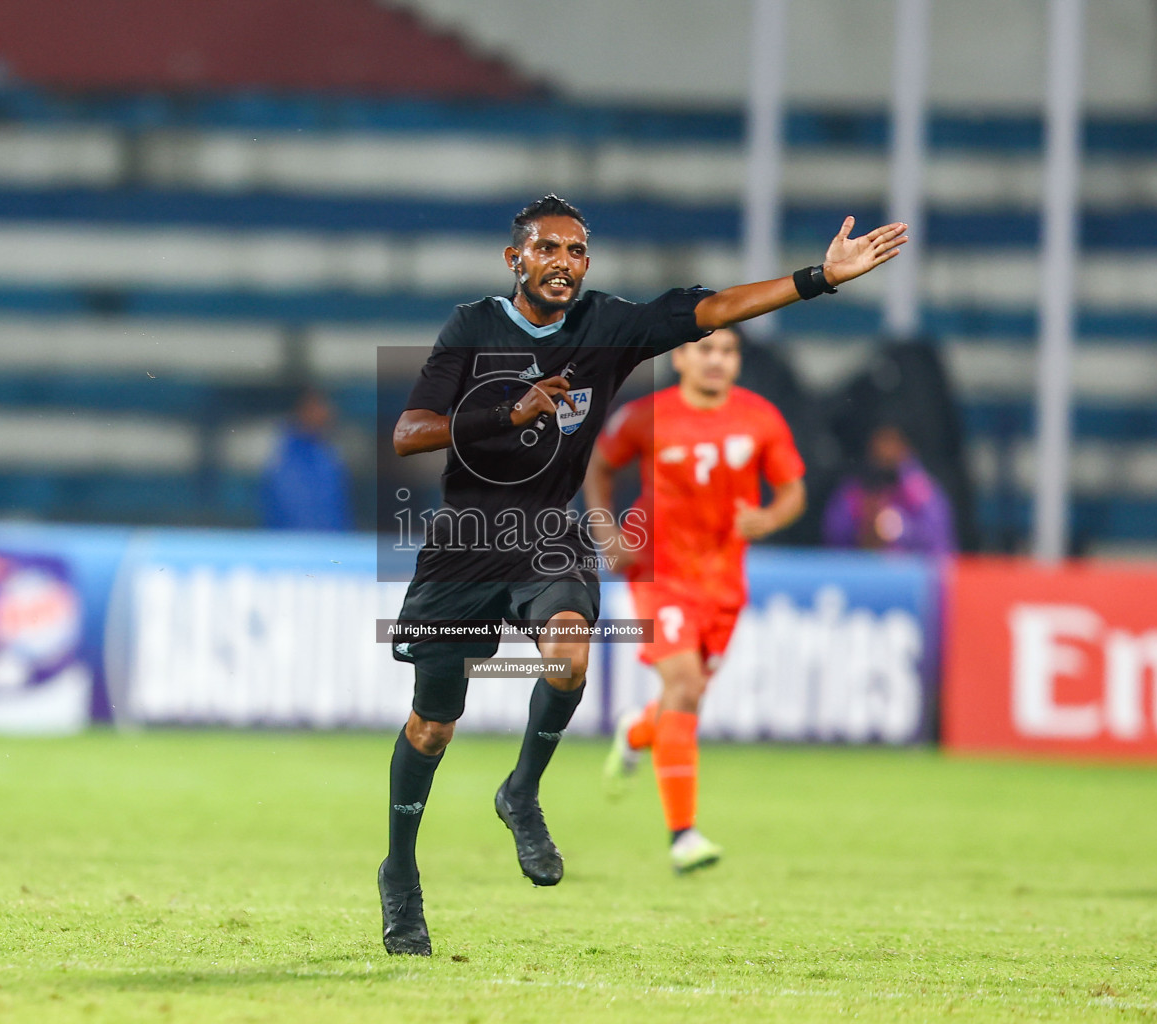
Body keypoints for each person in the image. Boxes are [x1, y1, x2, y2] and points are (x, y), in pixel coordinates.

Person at [381, 194, 906, 956]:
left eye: (577, 251)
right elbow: (408, 434)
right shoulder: (472, 328)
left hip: (547, 535)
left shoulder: (606, 327)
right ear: (515, 259)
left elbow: (714, 308)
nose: (564, 261)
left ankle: (521, 791)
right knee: (432, 726)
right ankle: (399, 875)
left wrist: (818, 277)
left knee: (569, 659)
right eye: (549, 248)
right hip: (465, 542)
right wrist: (509, 414)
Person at [584, 326, 805, 873]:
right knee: (683, 685)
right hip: (659, 573)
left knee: (687, 697)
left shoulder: (760, 418)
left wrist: (769, 518)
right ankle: (683, 836)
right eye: (705, 349)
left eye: (727, 351)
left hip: (724, 583)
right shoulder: (645, 416)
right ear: (680, 355)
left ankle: (637, 730)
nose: (716, 360)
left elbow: (794, 490)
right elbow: (598, 467)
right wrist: (606, 532)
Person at [822, 422, 954, 555]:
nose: (884, 450)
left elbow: (938, 539)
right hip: (862, 569)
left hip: (914, 570)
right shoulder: (853, 490)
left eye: (891, 442)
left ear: (905, 446)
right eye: (880, 442)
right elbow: (834, 538)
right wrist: (864, 527)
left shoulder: (921, 489)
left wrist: (901, 528)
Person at [258, 389, 352, 531]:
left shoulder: (327, 452)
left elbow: (338, 506)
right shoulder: (283, 452)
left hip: (330, 545)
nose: (325, 413)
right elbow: (293, 506)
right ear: (302, 410)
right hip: (294, 544)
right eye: (317, 407)